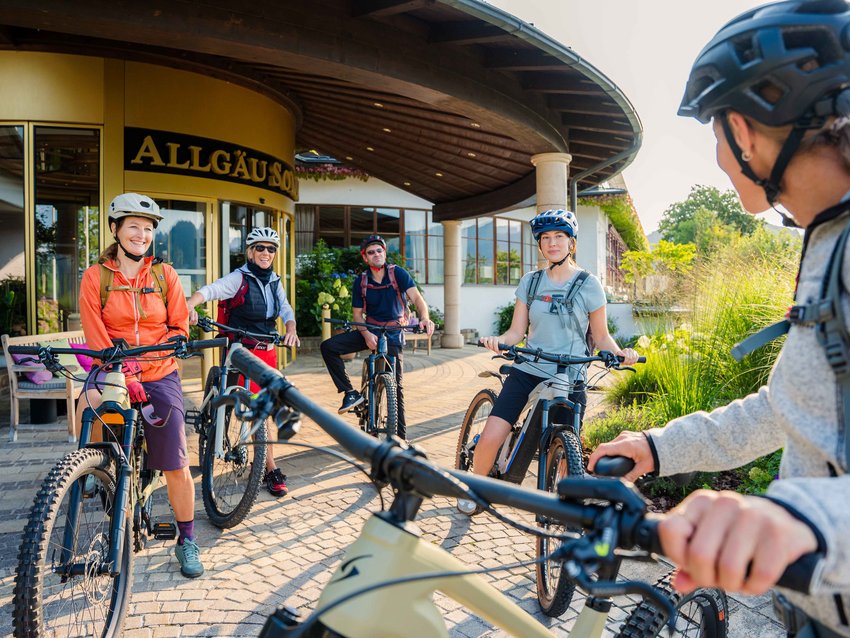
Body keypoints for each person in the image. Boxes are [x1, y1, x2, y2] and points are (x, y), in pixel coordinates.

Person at [589, 2, 850, 635]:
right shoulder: (828, 242)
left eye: (713, 133)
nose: (717, 156)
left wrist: (801, 518)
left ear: (744, 129)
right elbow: (785, 407)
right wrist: (657, 446)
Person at [457, 209, 639, 515]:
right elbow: (517, 331)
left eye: (559, 237)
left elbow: (602, 336)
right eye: (545, 238)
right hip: (530, 368)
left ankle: (565, 510)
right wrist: (500, 342)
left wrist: (621, 353)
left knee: (571, 453)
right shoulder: (530, 282)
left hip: (571, 374)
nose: (552, 243)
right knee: (492, 435)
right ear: (540, 245)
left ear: (571, 243)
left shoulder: (589, 284)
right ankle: (476, 486)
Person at [77, 193, 203, 578]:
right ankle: (89, 470)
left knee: (177, 460)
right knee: (90, 404)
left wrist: (174, 343)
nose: (141, 234)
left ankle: (187, 540)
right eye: (133, 226)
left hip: (159, 370)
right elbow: (95, 334)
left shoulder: (165, 276)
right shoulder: (95, 277)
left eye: (148, 229)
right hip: (114, 367)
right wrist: (121, 368)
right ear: (115, 230)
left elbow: (179, 325)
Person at [186, 226, 299, 498]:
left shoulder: (275, 281)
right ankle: (266, 465)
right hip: (240, 350)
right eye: (260, 248)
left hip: (266, 350)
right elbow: (211, 290)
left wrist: (291, 327)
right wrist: (190, 304)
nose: (266, 253)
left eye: (271, 249)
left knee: (266, 409)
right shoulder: (239, 278)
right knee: (247, 404)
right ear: (250, 252)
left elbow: (285, 309)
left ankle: (263, 465)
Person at [320, 234, 434, 441]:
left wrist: (425, 318)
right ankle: (349, 393)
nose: (376, 255)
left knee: (396, 387)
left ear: (384, 253)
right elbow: (356, 315)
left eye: (379, 250)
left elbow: (417, 298)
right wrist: (365, 334)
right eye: (371, 252)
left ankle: (400, 439)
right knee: (328, 347)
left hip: (392, 333)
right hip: (369, 330)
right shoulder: (361, 281)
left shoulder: (397, 273)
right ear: (365, 258)